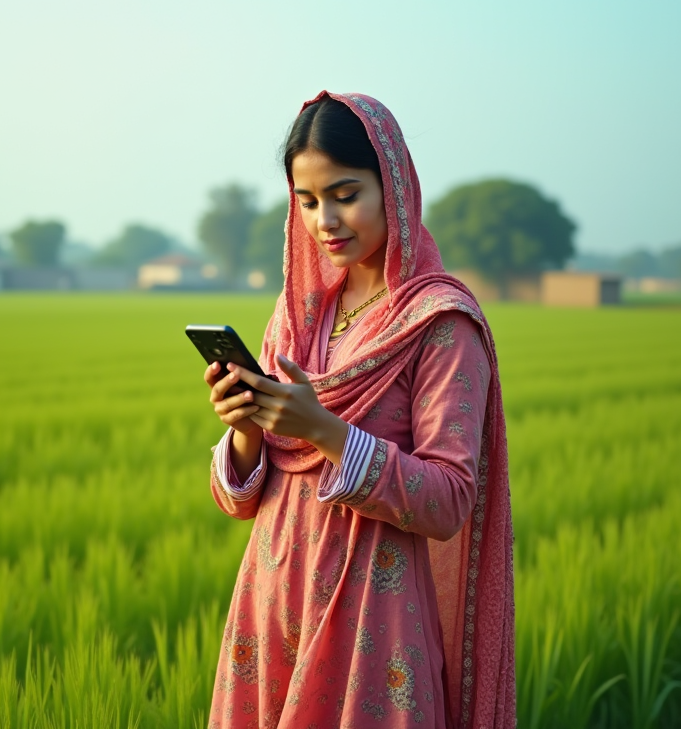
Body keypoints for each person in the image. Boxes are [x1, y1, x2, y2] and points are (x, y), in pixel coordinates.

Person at [203, 92, 515, 728]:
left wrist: (323, 430)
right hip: (272, 598)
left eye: (346, 194)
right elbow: (244, 498)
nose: (326, 220)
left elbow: (451, 499)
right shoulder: (296, 317)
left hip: (375, 616)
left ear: (394, 186)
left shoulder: (439, 324)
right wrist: (243, 430)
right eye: (308, 200)